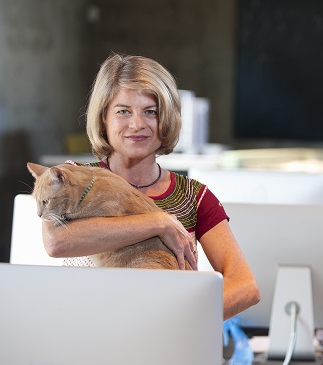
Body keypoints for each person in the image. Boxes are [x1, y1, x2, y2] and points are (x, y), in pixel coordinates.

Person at [41, 52, 260, 320]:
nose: (137, 124)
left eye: (150, 112)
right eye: (123, 111)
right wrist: (159, 223)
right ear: (103, 119)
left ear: (166, 119)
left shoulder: (194, 196)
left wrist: (180, 323)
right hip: (86, 338)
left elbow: (245, 286)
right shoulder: (74, 179)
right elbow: (55, 242)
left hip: (166, 348)